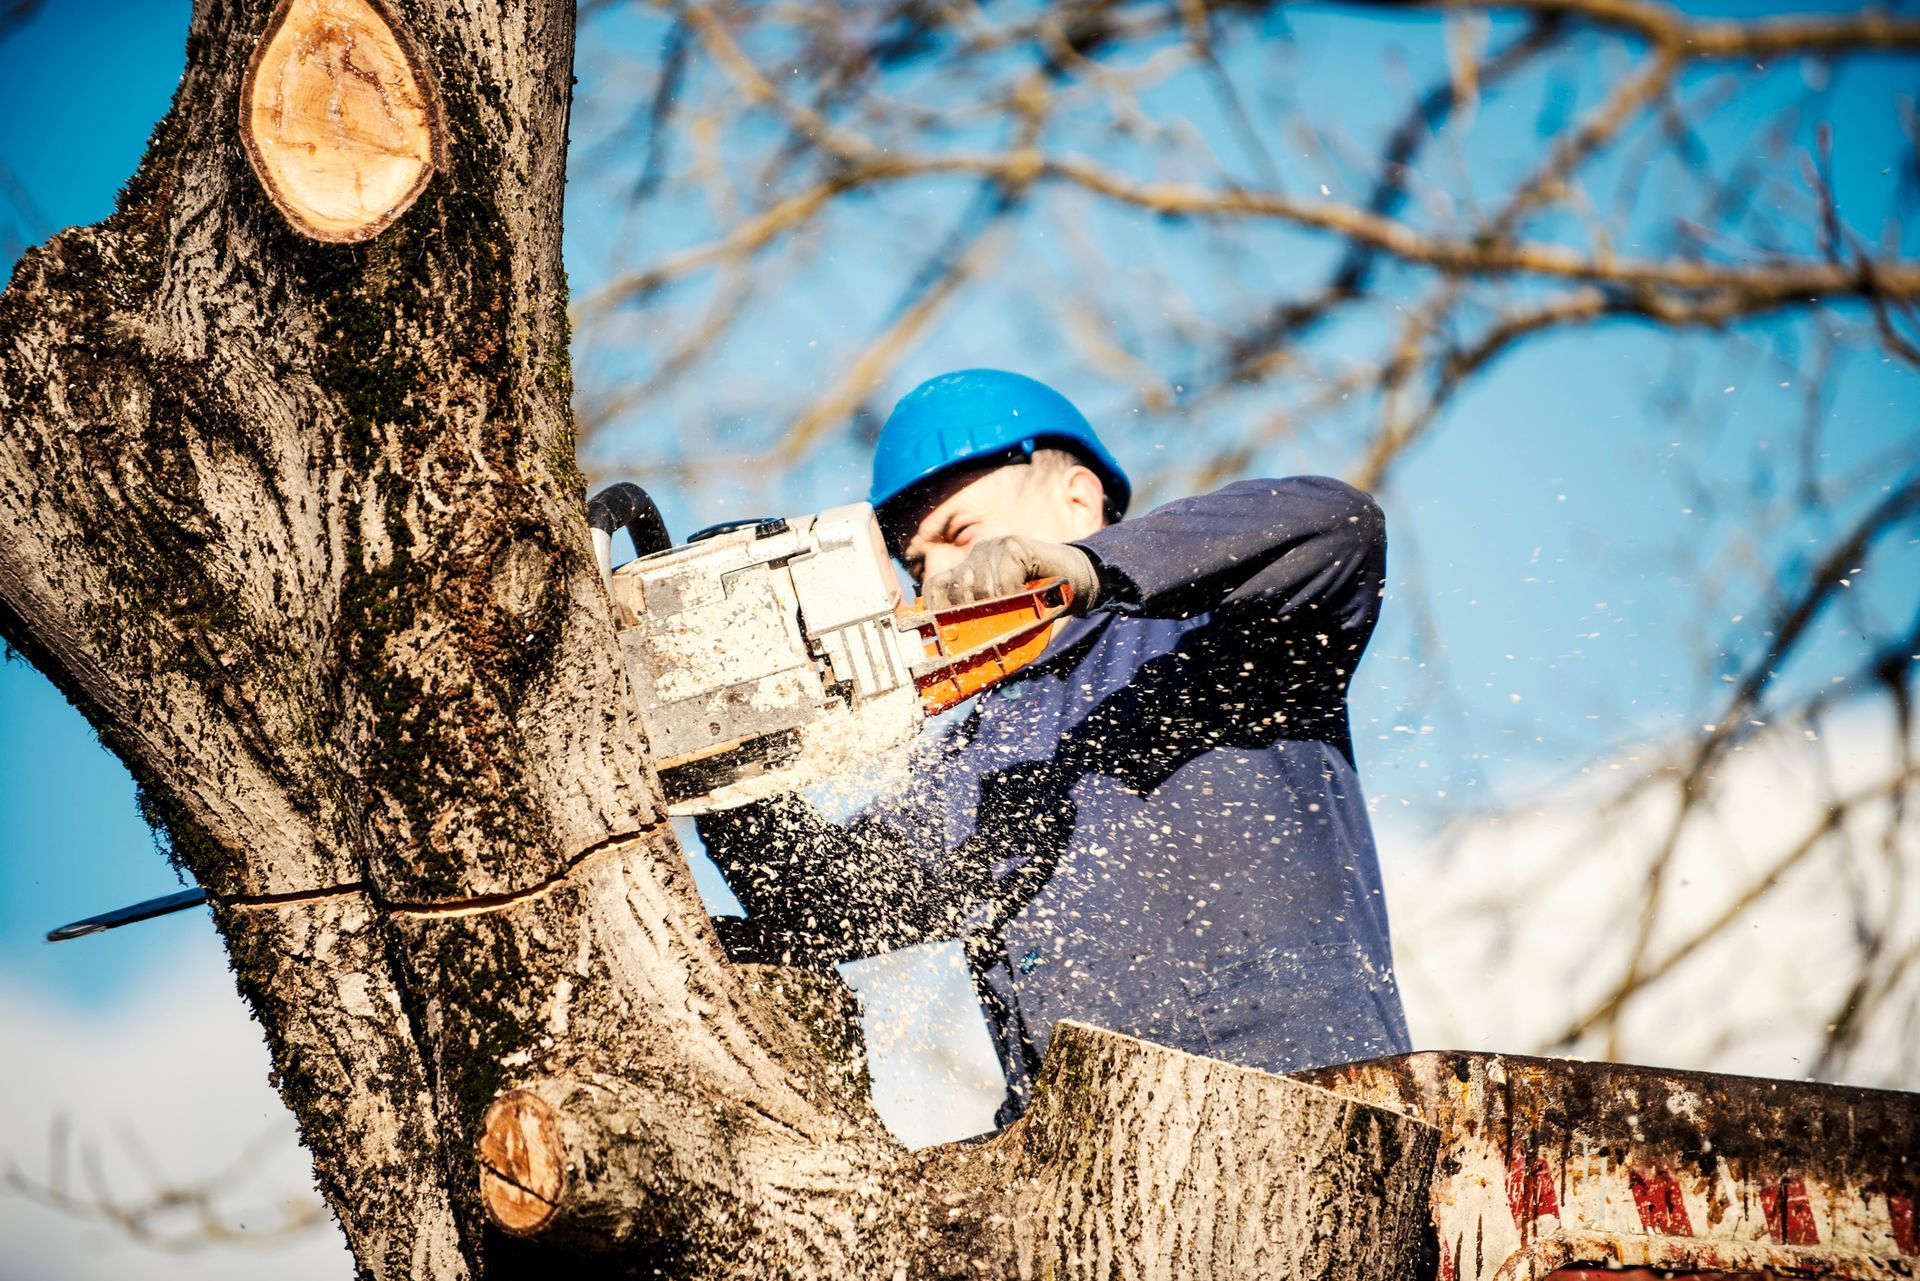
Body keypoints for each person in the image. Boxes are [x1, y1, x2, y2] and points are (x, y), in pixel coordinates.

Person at [699, 368, 1410, 1123]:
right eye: (916, 565)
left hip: (1307, 1114)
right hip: (1069, 1180)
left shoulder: (1221, 641)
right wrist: (724, 744)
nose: (938, 575)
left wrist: (1090, 570)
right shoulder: (976, 757)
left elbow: (1342, 526)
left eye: (959, 535)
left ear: (1078, 497)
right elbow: (815, 902)